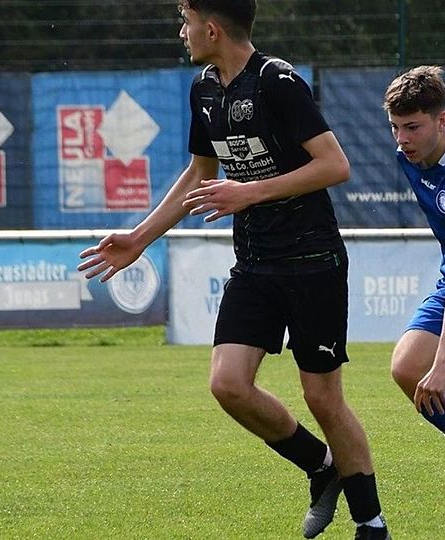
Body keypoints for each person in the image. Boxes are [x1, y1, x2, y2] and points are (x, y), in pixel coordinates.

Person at [78, 2, 389, 538]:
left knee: (322, 396)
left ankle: (371, 523)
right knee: (228, 384)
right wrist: (139, 238)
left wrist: (249, 192)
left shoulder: (278, 81)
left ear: (212, 27)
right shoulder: (203, 89)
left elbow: (335, 165)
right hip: (255, 265)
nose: (182, 32)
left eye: (186, 21)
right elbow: (200, 174)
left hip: (313, 262)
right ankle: (322, 468)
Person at [384, 66, 445, 517]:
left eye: (412, 127)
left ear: (442, 121)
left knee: (430, 368)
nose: (402, 139)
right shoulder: (408, 158)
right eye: (395, 127)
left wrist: (444, 362)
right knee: (407, 366)